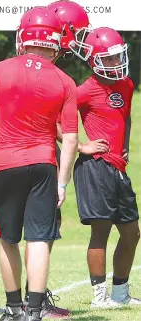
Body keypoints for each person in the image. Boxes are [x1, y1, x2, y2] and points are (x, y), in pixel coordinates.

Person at [0, 6, 78, 321]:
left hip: (7, 163)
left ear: (23, 36)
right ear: (55, 40)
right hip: (44, 165)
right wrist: (62, 181)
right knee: (38, 239)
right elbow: (70, 139)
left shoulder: (0, 69)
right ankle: (34, 311)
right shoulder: (64, 80)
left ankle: (13, 308)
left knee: (7, 239)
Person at [17, 1, 93, 318]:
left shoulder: (42, 72)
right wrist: (76, 145)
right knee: (40, 234)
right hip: (39, 161)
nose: (80, 43)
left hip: (26, 157)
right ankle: (32, 299)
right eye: (76, 35)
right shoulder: (53, 76)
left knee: (40, 233)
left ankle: (31, 296)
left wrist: (75, 142)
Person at [72, 27, 140, 308]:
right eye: (109, 59)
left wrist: (124, 143)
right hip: (94, 167)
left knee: (132, 232)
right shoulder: (86, 90)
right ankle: (100, 298)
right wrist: (80, 146)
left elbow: (126, 117)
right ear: (94, 60)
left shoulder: (126, 84)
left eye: (117, 57)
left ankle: (120, 294)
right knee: (101, 231)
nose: (115, 63)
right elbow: (52, 118)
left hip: (117, 168)